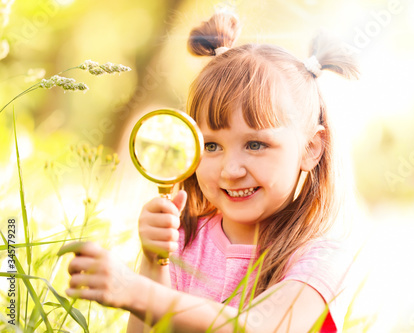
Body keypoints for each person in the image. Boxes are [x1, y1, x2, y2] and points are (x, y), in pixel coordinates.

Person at [59, 10, 363, 332]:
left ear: (311, 148)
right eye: (211, 146)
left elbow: (264, 327)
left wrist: (136, 291)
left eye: (256, 145)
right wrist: (152, 261)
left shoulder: (319, 256)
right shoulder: (183, 242)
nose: (231, 171)